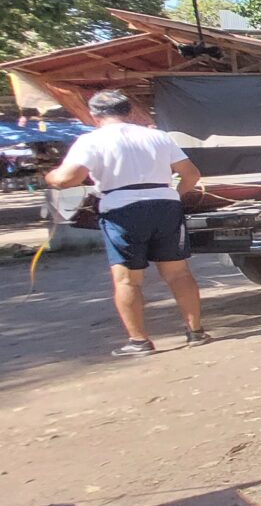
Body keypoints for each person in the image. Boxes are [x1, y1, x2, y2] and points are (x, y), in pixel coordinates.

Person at [45, 90, 210, 356]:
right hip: (164, 205)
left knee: (127, 280)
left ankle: (139, 341)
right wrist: (174, 197)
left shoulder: (91, 140)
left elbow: (66, 179)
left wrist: (50, 176)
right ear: (129, 112)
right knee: (178, 273)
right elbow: (191, 174)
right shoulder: (157, 136)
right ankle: (196, 331)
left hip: (122, 209)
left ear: (94, 115)